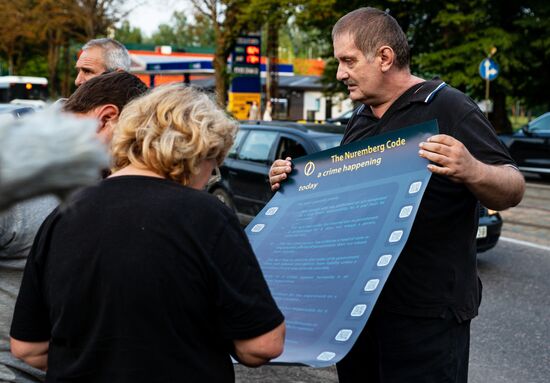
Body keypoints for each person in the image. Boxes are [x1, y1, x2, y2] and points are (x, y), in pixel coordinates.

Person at [269, 7, 524, 383]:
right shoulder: (360, 117)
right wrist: (293, 185)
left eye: (348, 61)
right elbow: (343, 200)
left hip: (427, 317)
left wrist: (472, 167)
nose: (340, 73)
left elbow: (513, 186)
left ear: (385, 57)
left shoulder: (450, 107)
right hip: (357, 314)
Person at [10, 83, 285, 382]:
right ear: (198, 151)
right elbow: (261, 345)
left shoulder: (61, 215)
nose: (209, 177)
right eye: (214, 163)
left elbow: (28, 348)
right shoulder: (206, 215)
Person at [0, 71, 147, 383]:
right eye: (137, 138)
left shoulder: (103, 178)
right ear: (107, 118)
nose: (139, 154)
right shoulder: (17, 174)